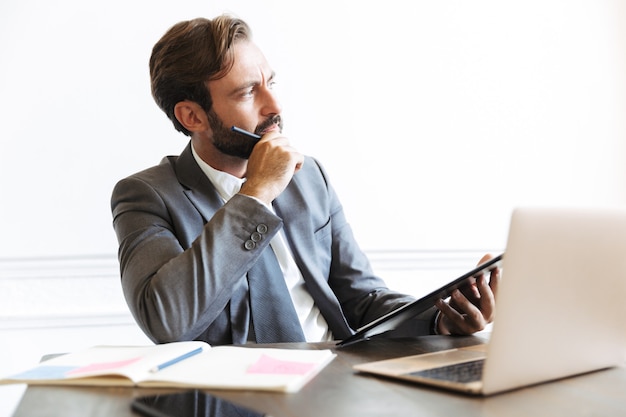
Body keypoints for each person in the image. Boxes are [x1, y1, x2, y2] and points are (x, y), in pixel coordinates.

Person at [110, 14, 499, 346]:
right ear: (192, 117)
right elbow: (168, 321)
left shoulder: (309, 176)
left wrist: (442, 318)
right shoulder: (147, 196)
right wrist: (257, 193)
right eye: (248, 92)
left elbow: (361, 300)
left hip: (340, 382)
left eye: (270, 84)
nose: (274, 106)